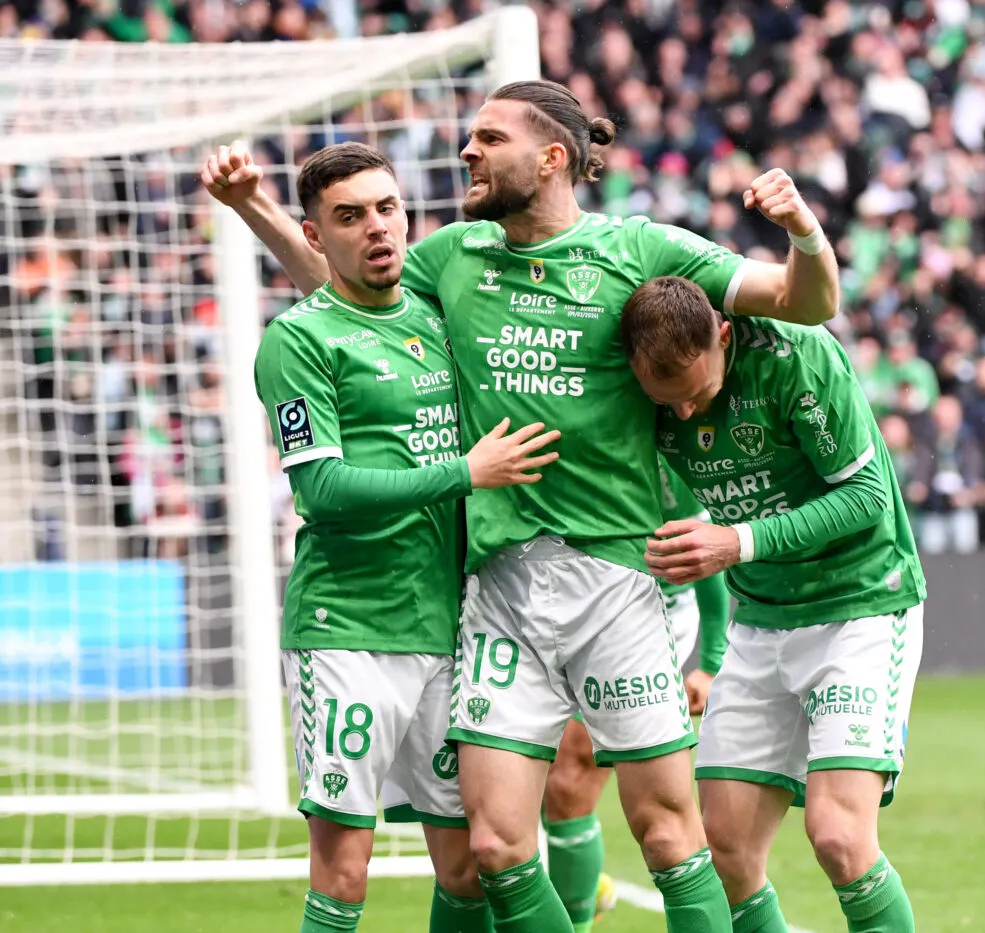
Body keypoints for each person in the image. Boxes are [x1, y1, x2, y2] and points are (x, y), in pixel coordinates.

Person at [203, 78, 838, 931]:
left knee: (665, 833)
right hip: (497, 588)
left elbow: (808, 302)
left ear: (551, 158)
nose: (468, 151)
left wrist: (800, 228)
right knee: (494, 848)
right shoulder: (452, 254)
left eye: (489, 137)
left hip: (615, 580)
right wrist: (260, 213)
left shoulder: (641, 247)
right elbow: (348, 295)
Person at [244, 143, 560, 933]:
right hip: (348, 631)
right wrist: (465, 471)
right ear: (316, 237)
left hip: (450, 629)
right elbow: (322, 488)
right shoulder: (299, 340)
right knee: (344, 873)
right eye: (349, 217)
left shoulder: (435, 317)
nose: (377, 228)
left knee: (469, 866)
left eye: (388, 208)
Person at [620, 276, 924, 932]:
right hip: (759, 618)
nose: (684, 416)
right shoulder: (646, 388)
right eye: (664, 402)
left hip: (861, 604)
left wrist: (738, 540)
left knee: (840, 835)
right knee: (725, 850)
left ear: (723, 336)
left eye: (695, 394)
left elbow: (868, 495)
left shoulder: (797, 357)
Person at [541, 457, 731, 933]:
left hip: (648, 615)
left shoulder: (664, 445)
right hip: (552, 607)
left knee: (572, 773)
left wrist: (711, 660)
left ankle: (578, 913)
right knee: (526, 786)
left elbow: (697, 542)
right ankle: (586, 884)